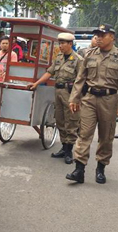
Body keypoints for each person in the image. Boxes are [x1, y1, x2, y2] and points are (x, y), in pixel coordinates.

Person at [67, 24, 118, 184]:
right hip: (89, 99)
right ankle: (79, 169)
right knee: (84, 134)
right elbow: (80, 78)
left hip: (110, 100)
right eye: (98, 35)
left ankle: (100, 168)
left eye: (103, 35)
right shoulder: (89, 54)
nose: (99, 38)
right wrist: (74, 98)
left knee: (106, 136)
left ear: (112, 37)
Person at [28, 33, 83, 163]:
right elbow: (49, 72)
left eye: (63, 43)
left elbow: (81, 80)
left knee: (71, 121)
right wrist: (36, 83)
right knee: (60, 120)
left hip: (70, 94)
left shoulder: (78, 60)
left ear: (70, 44)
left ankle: (69, 151)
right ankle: (64, 148)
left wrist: (77, 98)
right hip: (58, 92)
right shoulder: (58, 58)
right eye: (60, 43)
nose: (61, 46)